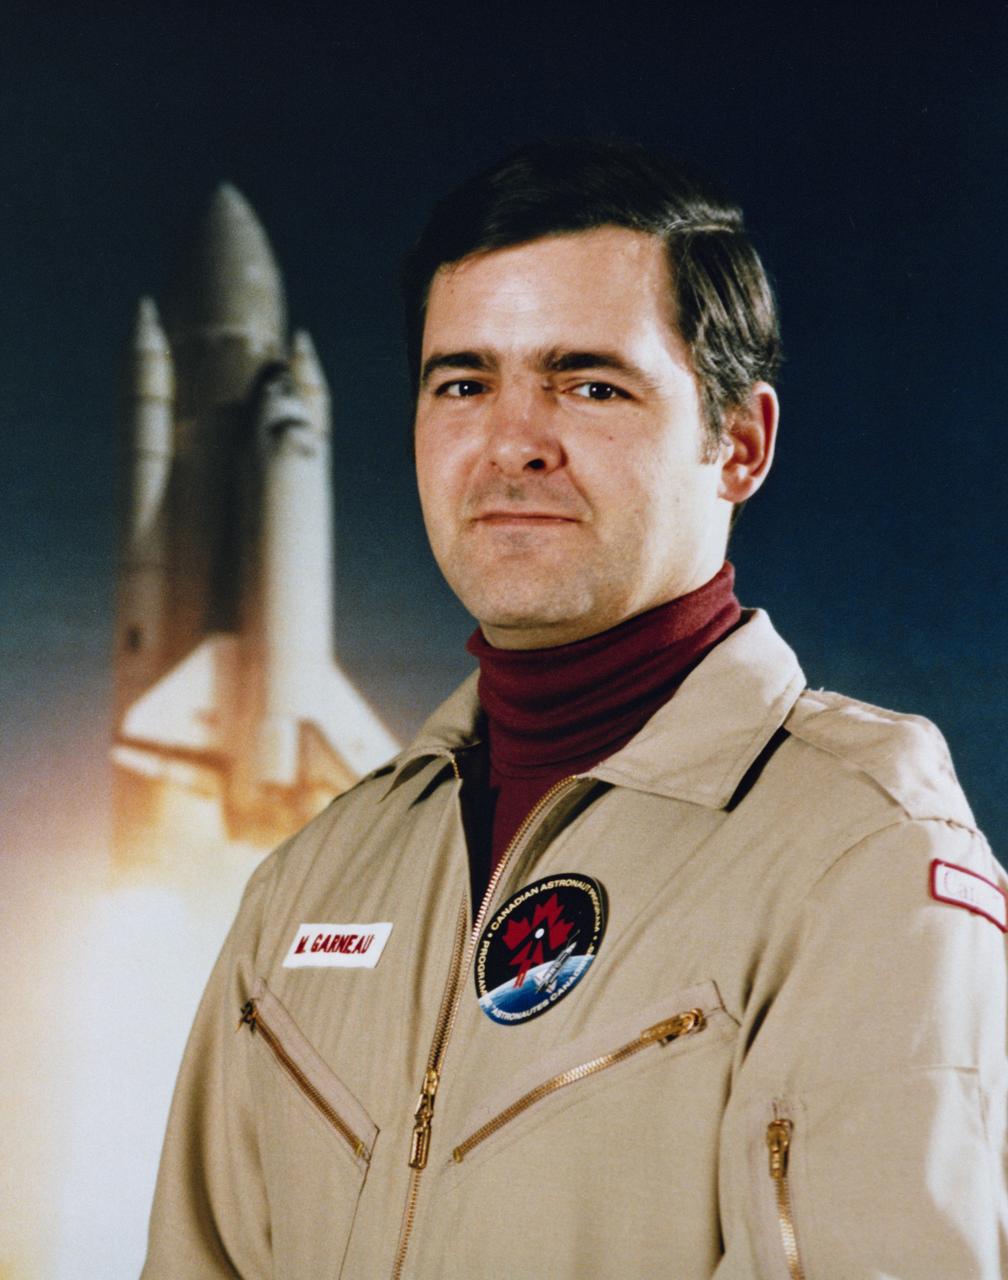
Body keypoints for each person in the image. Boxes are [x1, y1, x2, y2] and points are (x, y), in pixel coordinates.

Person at [143, 140, 1007, 1279]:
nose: (512, 441)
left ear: (738, 442)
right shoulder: (314, 879)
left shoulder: (859, 854)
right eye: (463, 382)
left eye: (589, 382)